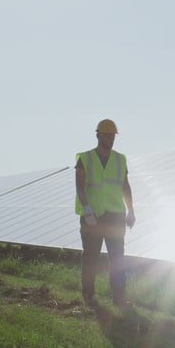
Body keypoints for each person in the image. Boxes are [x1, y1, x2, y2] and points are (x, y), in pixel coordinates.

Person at [75, 118, 136, 308]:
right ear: (98, 135)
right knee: (91, 256)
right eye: (107, 135)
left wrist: (131, 210)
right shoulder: (85, 158)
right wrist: (86, 209)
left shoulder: (120, 159)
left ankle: (119, 298)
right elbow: (80, 186)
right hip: (92, 215)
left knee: (117, 257)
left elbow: (125, 186)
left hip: (116, 215)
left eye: (113, 136)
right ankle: (89, 295)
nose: (110, 139)